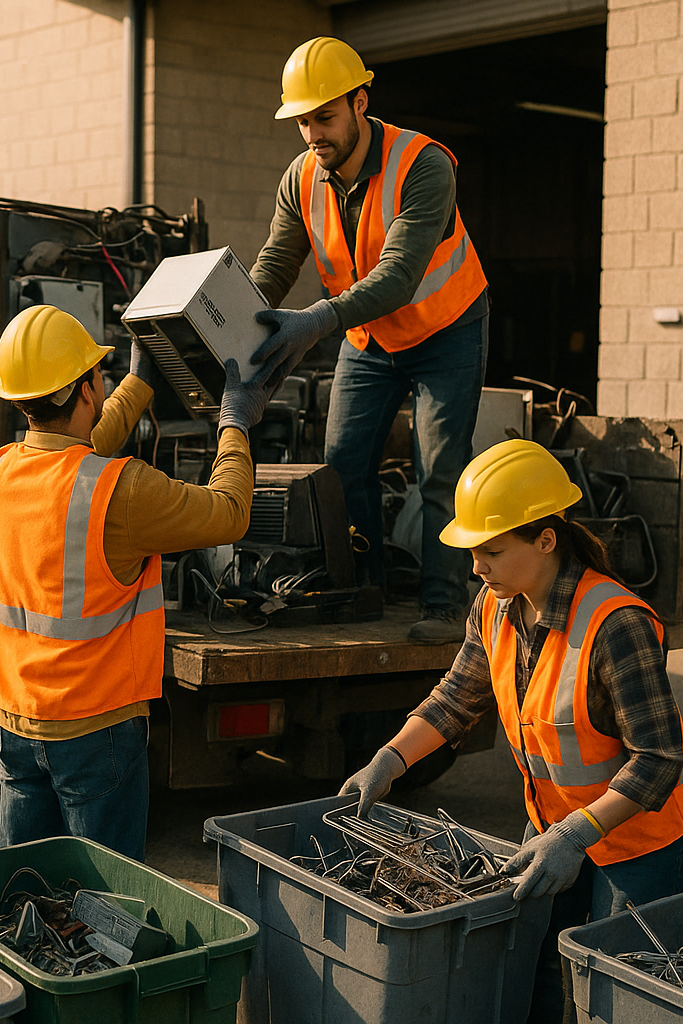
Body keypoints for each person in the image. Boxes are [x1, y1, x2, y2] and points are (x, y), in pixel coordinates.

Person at [340, 439, 683, 1023]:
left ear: (545, 539)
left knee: (622, 985)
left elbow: (658, 760)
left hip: (645, 841)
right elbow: (455, 699)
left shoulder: (616, 625)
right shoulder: (494, 604)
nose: (476, 566)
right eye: (472, 551)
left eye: (490, 550)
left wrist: (574, 837)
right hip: (556, 828)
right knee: (536, 968)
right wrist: (389, 760)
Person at [0, 305, 279, 861]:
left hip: (13, 718)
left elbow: (79, 450)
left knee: (21, 888)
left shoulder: (0, 470)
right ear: (89, 390)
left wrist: (139, 385)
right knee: (106, 907)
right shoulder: (121, 490)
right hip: (95, 729)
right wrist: (235, 424)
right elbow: (230, 513)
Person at [249, 36, 490, 640]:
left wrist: (313, 322)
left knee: (439, 469)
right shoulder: (302, 176)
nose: (312, 134)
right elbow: (277, 263)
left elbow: (400, 276)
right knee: (342, 467)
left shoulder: (425, 165)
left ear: (361, 102)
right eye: (302, 121)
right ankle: (365, 588)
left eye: (324, 117)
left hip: (446, 329)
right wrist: (233, 325)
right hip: (367, 337)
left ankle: (443, 605)